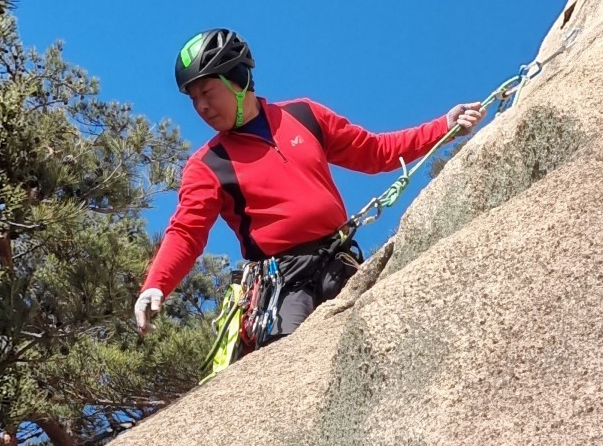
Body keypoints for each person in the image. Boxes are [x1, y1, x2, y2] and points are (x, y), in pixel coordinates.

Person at [134, 28, 485, 341]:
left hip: (339, 262)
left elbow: (376, 151)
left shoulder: (304, 116)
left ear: (238, 79)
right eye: (193, 98)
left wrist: (444, 126)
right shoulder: (208, 164)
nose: (201, 106)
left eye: (207, 91)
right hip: (282, 286)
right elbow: (186, 231)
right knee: (286, 369)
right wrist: (156, 284)